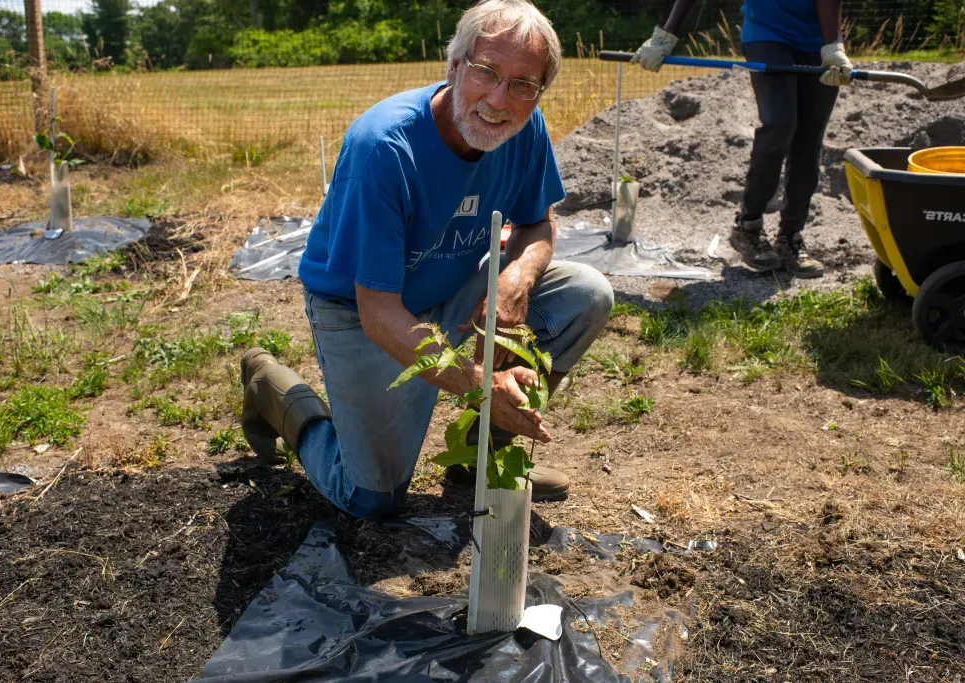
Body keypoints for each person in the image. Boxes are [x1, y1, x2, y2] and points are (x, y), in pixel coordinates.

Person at [239, 0, 614, 521]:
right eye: (487, 73)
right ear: (455, 66)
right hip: (362, 312)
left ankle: (478, 456)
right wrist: (479, 384)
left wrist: (515, 277)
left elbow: (538, 223)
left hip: (452, 287)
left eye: (523, 84)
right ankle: (273, 389)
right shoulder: (385, 148)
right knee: (370, 499)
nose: (500, 100)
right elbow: (378, 313)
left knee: (586, 294)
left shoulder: (524, 127)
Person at [634, 0, 853, 278]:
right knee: (779, 124)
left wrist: (833, 45)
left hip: (818, 37)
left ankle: (790, 238)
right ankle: (747, 227)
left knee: (809, 140)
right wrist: (665, 37)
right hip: (767, 34)